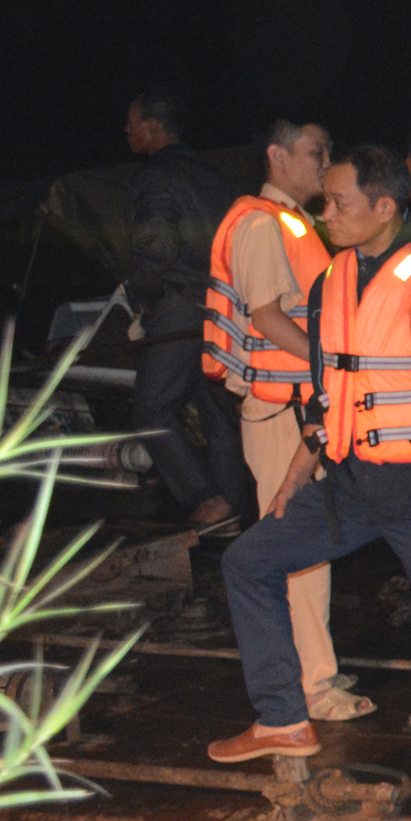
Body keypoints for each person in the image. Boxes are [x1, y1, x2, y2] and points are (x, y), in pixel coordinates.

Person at [206, 147, 411, 821]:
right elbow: (330, 389)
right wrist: (296, 473)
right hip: (350, 483)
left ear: (385, 207)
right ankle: (283, 717)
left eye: (339, 203)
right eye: (326, 201)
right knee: (247, 561)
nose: (326, 214)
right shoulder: (333, 278)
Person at [198, 116, 369, 724]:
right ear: (277, 155)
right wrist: (334, 365)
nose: (325, 163)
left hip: (298, 407)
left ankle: (316, 669)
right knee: (295, 546)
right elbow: (267, 317)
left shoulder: (287, 222)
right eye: (316, 152)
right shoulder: (260, 224)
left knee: (308, 544)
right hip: (281, 411)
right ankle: (314, 688)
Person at [121, 84, 247, 533]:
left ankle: (204, 499)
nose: (127, 130)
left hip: (180, 302)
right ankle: (231, 507)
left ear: (154, 128)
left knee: (152, 409)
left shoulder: (154, 177)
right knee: (215, 409)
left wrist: (146, 299)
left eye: (133, 123)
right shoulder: (216, 176)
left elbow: (155, 247)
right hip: (221, 305)